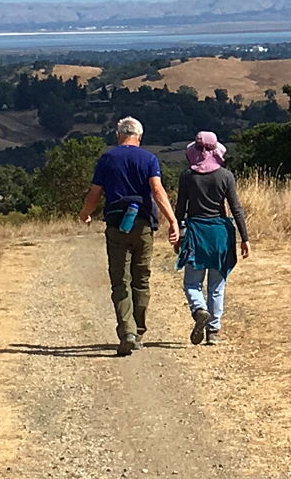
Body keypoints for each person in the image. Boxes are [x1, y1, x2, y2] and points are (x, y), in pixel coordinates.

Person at [78, 116, 179, 356]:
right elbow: (157, 190)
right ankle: (139, 332)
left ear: (118, 135)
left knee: (120, 280)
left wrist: (85, 213)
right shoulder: (149, 159)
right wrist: (172, 220)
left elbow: (95, 193)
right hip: (143, 225)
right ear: (140, 136)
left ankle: (127, 332)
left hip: (116, 225)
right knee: (141, 279)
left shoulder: (107, 159)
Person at [175, 130, 249, 345]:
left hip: (196, 233)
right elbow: (236, 209)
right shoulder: (226, 176)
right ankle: (213, 331)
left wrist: (177, 234)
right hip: (220, 234)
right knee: (217, 286)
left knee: (192, 283)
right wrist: (245, 238)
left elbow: (180, 209)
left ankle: (199, 309)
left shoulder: (187, 176)